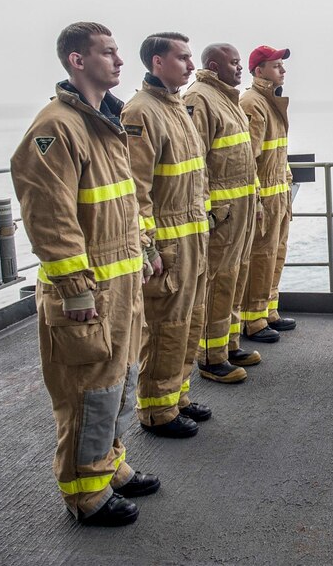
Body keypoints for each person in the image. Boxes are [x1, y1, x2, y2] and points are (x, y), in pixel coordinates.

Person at [11, 22, 158, 527]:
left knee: (117, 381)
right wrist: (75, 291)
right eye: (108, 53)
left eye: (118, 52)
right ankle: (85, 493)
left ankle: (108, 464)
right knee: (87, 391)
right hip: (87, 291)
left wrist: (143, 250)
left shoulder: (105, 122)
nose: (119, 62)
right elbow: (50, 219)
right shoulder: (55, 128)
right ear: (77, 61)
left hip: (119, 284)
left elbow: (126, 203)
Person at [120, 32, 212, 438]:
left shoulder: (176, 108)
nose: (191, 66)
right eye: (183, 58)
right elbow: (135, 190)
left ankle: (177, 395)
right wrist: (149, 246)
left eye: (191, 58)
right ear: (157, 63)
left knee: (189, 322)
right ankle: (157, 411)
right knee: (164, 327)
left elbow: (196, 175)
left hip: (194, 236)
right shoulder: (141, 112)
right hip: (169, 243)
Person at [183, 43, 262, 383]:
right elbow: (195, 160)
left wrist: (255, 199)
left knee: (234, 277)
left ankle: (228, 343)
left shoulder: (226, 97)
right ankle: (211, 356)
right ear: (214, 66)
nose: (240, 68)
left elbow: (244, 158)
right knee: (217, 281)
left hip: (240, 209)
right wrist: (207, 211)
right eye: (233, 63)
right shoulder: (199, 98)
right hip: (222, 212)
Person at [239, 45, 297, 344]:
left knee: (276, 254)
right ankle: (253, 320)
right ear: (259, 71)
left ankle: (268, 310)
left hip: (279, 194)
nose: (283, 71)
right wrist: (258, 198)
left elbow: (278, 155)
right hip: (265, 196)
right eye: (276, 66)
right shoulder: (253, 103)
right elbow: (248, 157)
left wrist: (286, 184)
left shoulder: (271, 102)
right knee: (260, 258)